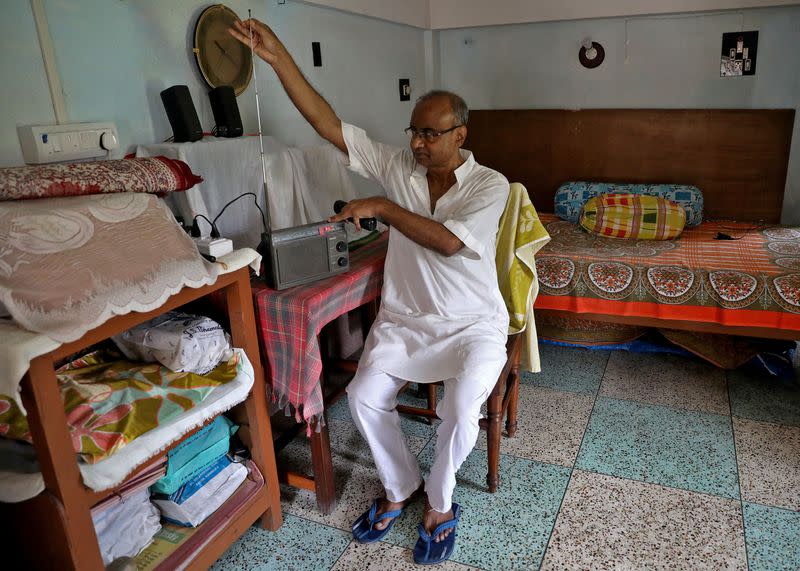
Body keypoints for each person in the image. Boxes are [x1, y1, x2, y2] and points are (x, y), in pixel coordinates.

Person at [230, 18, 510, 565]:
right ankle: (400, 486)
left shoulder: (490, 184)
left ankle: (440, 501)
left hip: (473, 322)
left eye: (431, 133)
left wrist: (381, 208)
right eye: (414, 131)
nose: (418, 143)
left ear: (461, 135)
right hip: (405, 320)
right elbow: (327, 124)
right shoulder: (398, 165)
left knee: (459, 408)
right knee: (363, 397)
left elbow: (450, 243)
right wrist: (278, 56)